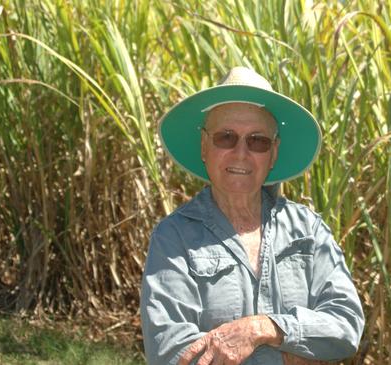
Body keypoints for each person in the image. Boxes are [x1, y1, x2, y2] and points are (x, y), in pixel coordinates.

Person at [140, 66, 365, 365]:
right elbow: (172, 352)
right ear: (205, 146)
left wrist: (263, 329)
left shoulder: (309, 230)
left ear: (273, 153)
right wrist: (292, 358)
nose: (241, 153)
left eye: (257, 141)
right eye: (226, 137)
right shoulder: (174, 237)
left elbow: (346, 324)